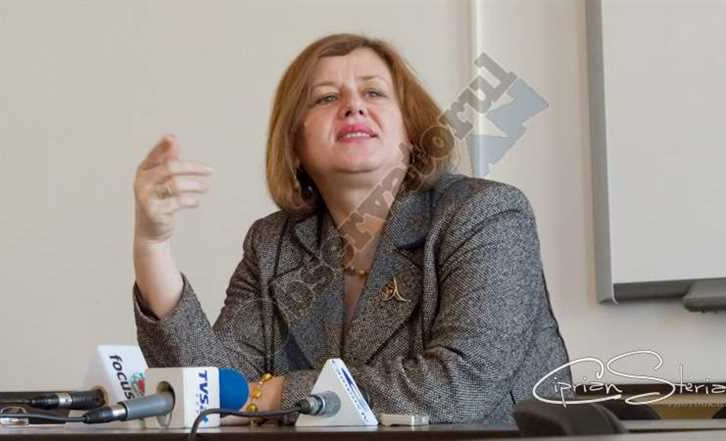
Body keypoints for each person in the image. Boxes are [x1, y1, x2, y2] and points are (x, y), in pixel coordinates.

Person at [132, 33, 570, 424]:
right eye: (325, 98)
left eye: (374, 92)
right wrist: (152, 244)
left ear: (411, 129)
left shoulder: (485, 214)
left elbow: (459, 387)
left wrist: (277, 393)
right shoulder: (273, 244)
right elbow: (213, 392)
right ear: (295, 142)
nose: (354, 106)